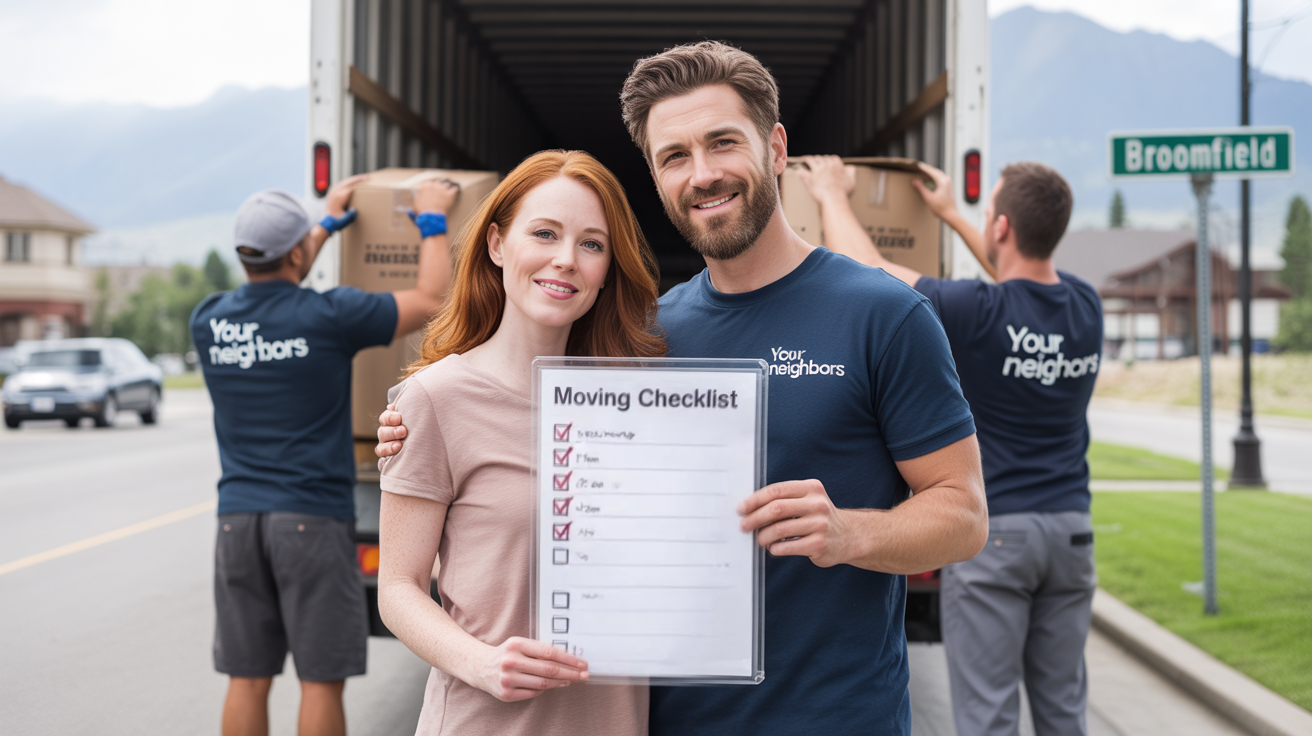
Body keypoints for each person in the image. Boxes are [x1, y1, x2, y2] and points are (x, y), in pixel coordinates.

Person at [378, 42, 989, 735]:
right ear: (657, 176)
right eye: (674, 156)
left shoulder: (884, 314)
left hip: (834, 719)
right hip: (660, 720)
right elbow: (512, 394)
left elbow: (965, 516)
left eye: (722, 143)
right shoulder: (643, 341)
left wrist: (851, 533)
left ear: (776, 147)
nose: (702, 174)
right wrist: (414, 420)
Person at [798, 155, 1102, 736]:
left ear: (1003, 227)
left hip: (1001, 539)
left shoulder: (977, 312)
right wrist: (959, 216)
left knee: (988, 715)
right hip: (1072, 534)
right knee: (1064, 711)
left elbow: (870, 273)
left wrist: (832, 194)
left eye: (989, 213)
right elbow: (1017, 268)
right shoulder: (1085, 306)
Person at [375, 150, 663, 736]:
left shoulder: (641, 405)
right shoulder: (435, 399)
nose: (565, 260)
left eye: (591, 244)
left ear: (609, 267)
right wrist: (479, 662)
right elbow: (398, 589)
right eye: (545, 233)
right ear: (498, 245)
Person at [191, 174, 459, 736]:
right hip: (310, 521)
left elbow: (284, 262)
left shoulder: (209, 320)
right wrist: (432, 219)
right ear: (296, 252)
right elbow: (432, 300)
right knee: (319, 680)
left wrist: (328, 222)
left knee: (246, 676)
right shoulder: (330, 316)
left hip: (237, 524)